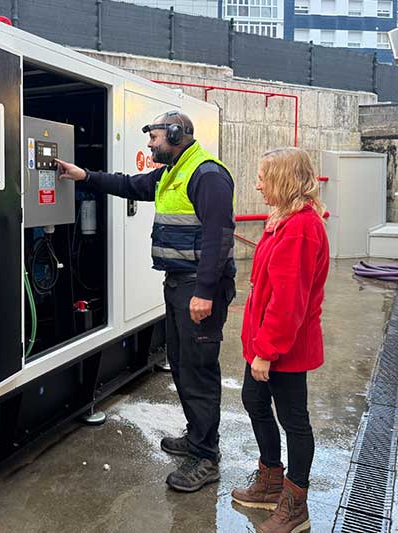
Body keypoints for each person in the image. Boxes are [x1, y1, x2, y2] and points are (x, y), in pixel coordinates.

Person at [56, 111, 236, 492]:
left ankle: (206, 457)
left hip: (198, 289)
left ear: (175, 134)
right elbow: (130, 185)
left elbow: (219, 238)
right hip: (179, 285)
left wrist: (205, 293)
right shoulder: (172, 172)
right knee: (182, 365)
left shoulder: (207, 175)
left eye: (154, 137)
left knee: (199, 370)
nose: (149, 144)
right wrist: (84, 176)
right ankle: (198, 437)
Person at [231, 148, 329, 533]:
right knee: (253, 400)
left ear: (284, 180)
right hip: (264, 343)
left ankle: (295, 504)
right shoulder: (283, 220)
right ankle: (271, 481)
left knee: (294, 420)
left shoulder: (301, 227)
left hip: (283, 348)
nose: (257, 185)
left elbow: (288, 300)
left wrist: (267, 352)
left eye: (263, 178)